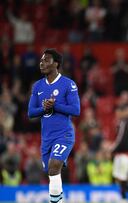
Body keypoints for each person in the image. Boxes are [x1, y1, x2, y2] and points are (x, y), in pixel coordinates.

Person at [28, 48, 80, 203]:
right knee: (51, 173)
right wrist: (44, 108)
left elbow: (76, 110)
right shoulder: (37, 86)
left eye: (46, 60)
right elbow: (31, 112)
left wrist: (54, 106)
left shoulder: (68, 84)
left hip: (64, 134)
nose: (42, 63)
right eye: (41, 60)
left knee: (54, 166)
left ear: (56, 64)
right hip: (47, 138)